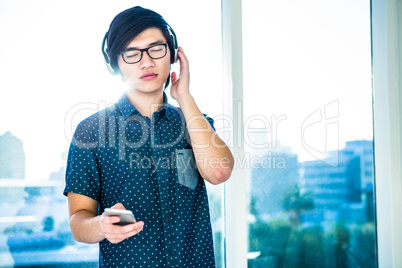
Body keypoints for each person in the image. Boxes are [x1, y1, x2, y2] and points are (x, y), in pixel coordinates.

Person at [63, 6, 234, 267]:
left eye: (157, 49)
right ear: (116, 64)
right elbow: (78, 220)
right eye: (132, 53)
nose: (147, 62)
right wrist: (101, 225)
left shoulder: (192, 121)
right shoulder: (91, 132)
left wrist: (184, 97)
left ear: (174, 54)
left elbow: (219, 173)